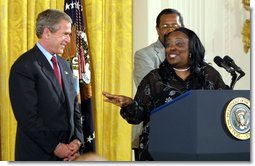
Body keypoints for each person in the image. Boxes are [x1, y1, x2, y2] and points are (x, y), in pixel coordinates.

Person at [103, 27, 228, 161]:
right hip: (159, 151)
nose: (171, 48)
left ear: (192, 49)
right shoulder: (154, 78)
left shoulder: (209, 75)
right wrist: (129, 104)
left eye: (179, 44)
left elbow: (223, 107)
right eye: (168, 44)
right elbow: (138, 116)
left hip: (201, 148)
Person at [9, 9, 84, 161]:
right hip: (38, 156)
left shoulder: (64, 65)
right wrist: (56, 147)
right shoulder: (24, 66)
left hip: (68, 156)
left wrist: (77, 140)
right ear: (47, 32)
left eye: (69, 35)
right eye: (65, 34)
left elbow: (74, 107)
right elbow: (28, 117)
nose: (69, 40)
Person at [132, 8, 184, 160]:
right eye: (165, 26)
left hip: (186, 132)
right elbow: (151, 88)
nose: (170, 30)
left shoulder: (193, 54)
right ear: (157, 29)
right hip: (152, 131)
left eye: (174, 26)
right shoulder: (144, 55)